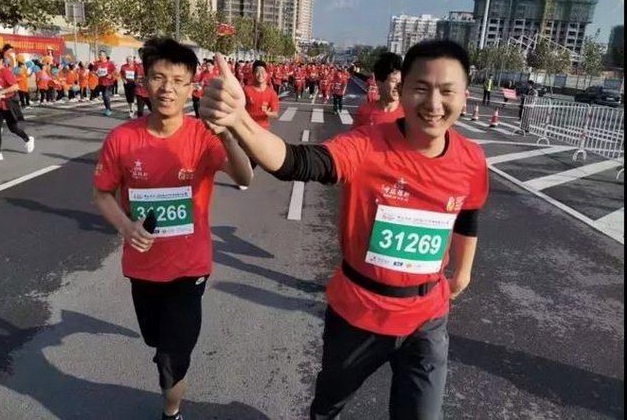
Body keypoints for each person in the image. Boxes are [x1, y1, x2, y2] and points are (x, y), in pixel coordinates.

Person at [200, 40, 489, 420]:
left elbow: (468, 211)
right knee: (328, 407)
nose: (434, 104)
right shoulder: (367, 146)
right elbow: (298, 162)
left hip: (427, 317)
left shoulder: (472, 159)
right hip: (359, 313)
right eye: (421, 88)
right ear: (402, 91)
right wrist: (240, 121)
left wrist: (463, 271)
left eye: (447, 91)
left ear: (465, 98)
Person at [93, 38, 253, 420]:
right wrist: (126, 227)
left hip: (189, 269)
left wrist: (227, 133)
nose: (167, 88)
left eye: (178, 81)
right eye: (158, 78)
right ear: (144, 83)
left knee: (172, 359)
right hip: (142, 269)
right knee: (155, 338)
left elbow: (244, 176)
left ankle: (172, 411)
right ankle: (166, 356)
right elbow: (102, 194)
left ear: (191, 87)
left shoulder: (203, 136)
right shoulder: (122, 139)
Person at [0, 50, 35, 161]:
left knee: (13, 128)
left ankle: (28, 139)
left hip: (7, 105)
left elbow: (15, 87)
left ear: (1, 60)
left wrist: (2, 92)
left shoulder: (6, 72)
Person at [353, 53, 404, 128]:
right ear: (379, 83)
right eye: (394, 81)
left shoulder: (409, 115)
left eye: (401, 82)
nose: (398, 86)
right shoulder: (364, 112)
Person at [93, 50, 116, 116]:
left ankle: (109, 109)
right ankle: (107, 108)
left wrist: (111, 75)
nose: (101, 56)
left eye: (102, 55)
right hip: (101, 82)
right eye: (99, 55)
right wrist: (97, 74)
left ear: (105, 56)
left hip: (108, 82)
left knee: (106, 95)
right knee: (104, 96)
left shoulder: (110, 63)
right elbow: (94, 71)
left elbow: (114, 71)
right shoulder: (97, 63)